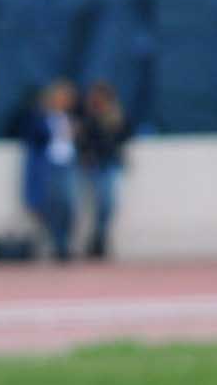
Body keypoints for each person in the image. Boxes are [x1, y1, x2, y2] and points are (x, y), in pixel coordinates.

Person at [21, 78, 79, 261]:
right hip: (50, 165)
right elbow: (33, 138)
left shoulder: (72, 118)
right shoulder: (42, 118)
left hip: (68, 165)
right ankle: (58, 244)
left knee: (68, 204)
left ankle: (65, 242)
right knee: (53, 205)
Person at [77, 80, 133, 259]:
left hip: (110, 162)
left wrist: (115, 122)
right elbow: (83, 141)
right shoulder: (87, 117)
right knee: (101, 201)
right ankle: (97, 239)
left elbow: (125, 135)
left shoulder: (115, 115)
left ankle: (99, 237)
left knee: (108, 203)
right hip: (96, 163)